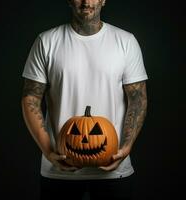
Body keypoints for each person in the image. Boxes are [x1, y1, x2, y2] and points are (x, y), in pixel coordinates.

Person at [21, 0, 148, 199]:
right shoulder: (46, 41)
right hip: (59, 168)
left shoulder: (125, 41)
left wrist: (126, 147)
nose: (86, 2)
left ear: (103, 0)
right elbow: (31, 97)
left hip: (114, 167)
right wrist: (48, 152)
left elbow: (138, 98)